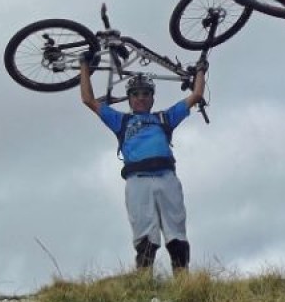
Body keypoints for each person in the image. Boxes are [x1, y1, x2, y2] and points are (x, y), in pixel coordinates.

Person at [80, 58, 207, 274]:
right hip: (137, 180)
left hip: (167, 178)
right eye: (135, 94)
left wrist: (201, 71)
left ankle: (183, 278)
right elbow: (88, 99)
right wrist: (84, 68)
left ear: (152, 98)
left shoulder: (164, 117)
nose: (141, 98)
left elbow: (195, 95)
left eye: (145, 93)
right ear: (128, 99)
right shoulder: (120, 120)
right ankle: (144, 279)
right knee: (144, 232)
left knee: (176, 229)